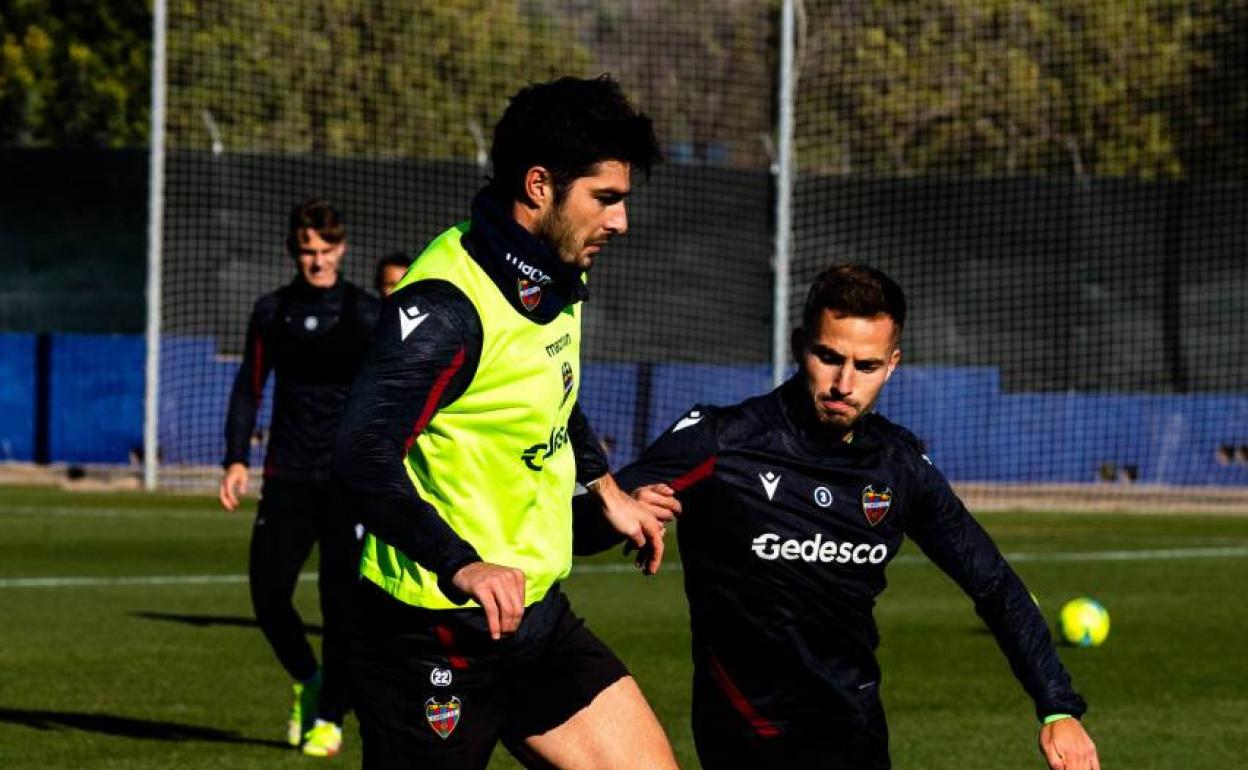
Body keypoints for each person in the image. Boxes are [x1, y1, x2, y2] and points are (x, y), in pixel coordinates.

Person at [587, 264, 1100, 770]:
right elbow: (586, 524)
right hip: (749, 732)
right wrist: (614, 512)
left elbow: (992, 583)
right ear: (798, 345)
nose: (843, 383)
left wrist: (1057, 705)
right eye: (828, 357)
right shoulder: (723, 440)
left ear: (893, 364)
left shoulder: (898, 466)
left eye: (867, 366)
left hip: (855, 732)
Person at [332, 75, 676, 769]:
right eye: (605, 200)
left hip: (536, 619)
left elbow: (549, 389)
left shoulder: (553, 272)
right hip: (430, 636)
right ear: (541, 186)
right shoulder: (446, 309)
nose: (620, 222)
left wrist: (606, 488)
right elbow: (360, 454)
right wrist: (463, 565)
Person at [219, 198, 380, 758]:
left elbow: (387, 393)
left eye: (326, 250)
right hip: (286, 474)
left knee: (341, 606)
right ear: (294, 250)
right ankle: (308, 681)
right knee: (267, 593)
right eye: (307, 251)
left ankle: (332, 717)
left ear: (342, 248)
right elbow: (249, 385)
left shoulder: (365, 313)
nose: (317, 261)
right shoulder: (272, 312)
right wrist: (236, 458)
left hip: (346, 482)